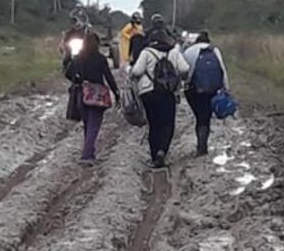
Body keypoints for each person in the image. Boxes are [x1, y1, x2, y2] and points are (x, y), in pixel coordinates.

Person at [130, 29, 190, 167]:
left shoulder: (147, 52)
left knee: (154, 125)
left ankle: (154, 155)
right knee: (168, 124)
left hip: (149, 93)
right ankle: (162, 150)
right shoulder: (174, 52)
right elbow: (184, 68)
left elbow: (137, 71)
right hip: (167, 93)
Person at [65, 31, 119, 165]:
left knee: (88, 125)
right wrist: (116, 92)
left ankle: (90, 152)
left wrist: (78, 80)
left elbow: (68, 73)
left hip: (81, 94)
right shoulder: (100, 58)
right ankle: (87, 155)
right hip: (97, 95)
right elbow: (108, 77)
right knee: (94, 126)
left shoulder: (78, 58)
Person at [182, 31, 229, 156]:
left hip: (193, 90)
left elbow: (183, 71)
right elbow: (223, 70)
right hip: (211, 90)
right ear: (208, 41)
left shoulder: (188, 52)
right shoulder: (214, 50)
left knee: (199, 116)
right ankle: (202, 145)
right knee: (205, 118)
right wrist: (226, 88)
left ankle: (201, 146)